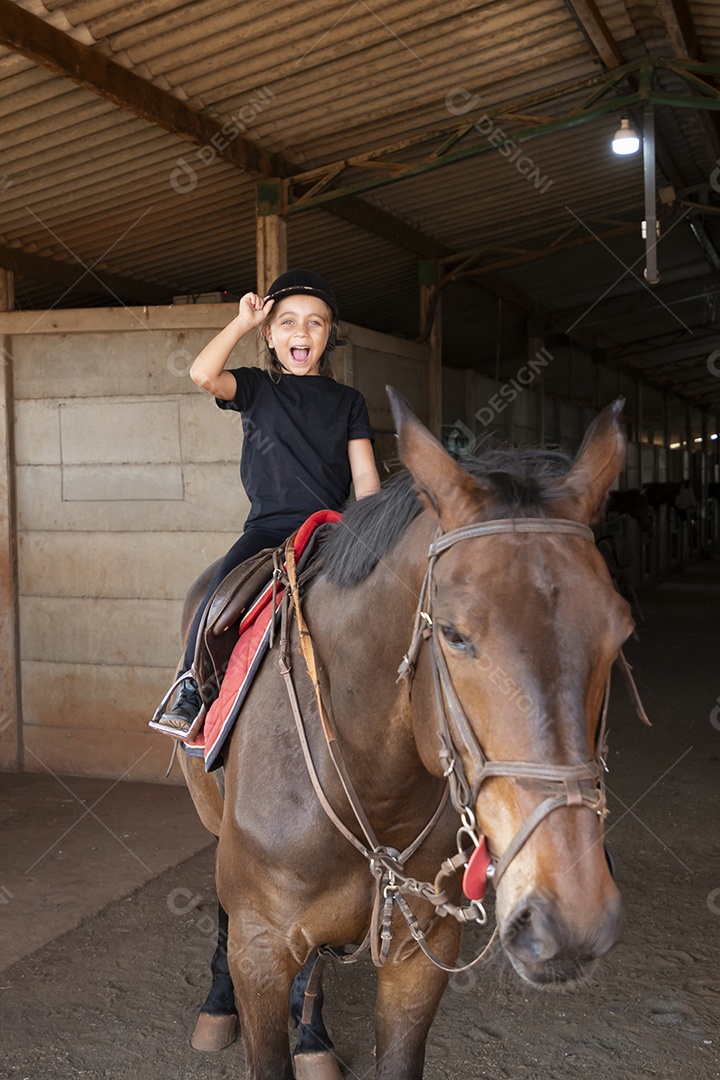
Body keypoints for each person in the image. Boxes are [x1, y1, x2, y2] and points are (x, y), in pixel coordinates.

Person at [151, 269, 380, 738]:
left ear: (327, 337)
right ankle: (193, 685)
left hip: (330, 528)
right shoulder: (257, 387)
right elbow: (202, 374)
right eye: (288, 322)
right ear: (271, 336)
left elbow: (364, 475)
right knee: (218, 599)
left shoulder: (349, 401)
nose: (302, 331)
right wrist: (241, 323)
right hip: (268, 530)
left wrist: (373, 527)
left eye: (315, 323)